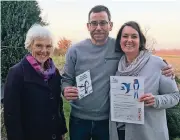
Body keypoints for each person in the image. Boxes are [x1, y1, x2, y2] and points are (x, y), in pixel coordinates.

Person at [62, 5, 174, 140]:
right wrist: (65, 89)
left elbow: (140, 55)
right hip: (79, 119)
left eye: (103, 23)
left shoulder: (119, 46)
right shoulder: (74, 50)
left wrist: (166, 66)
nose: (98, 27)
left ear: (110, 25)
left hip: (107, 120)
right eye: (94, 23)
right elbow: (66, 79)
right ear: (88, 26)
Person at [109, 21, 180, 140]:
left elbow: (175, 96)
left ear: (140, 40)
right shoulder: (117, 66)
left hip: (148, 134)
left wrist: (156, 100)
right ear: (119, 41)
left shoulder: (157, 64)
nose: (129, 40)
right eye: (125, 36)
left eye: (134, 36)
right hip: (121, 132)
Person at [4, 24, 67, 140]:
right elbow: (11, 115)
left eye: (48, 46)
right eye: (39, 45)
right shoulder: (17, 73)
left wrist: (61, 130)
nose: (44, 50)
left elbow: (58, 105)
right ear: (30, 46)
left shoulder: (54, 73)